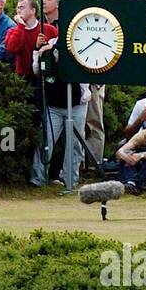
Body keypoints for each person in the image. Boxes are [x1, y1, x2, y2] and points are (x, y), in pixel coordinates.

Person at [34, 32, 90, 189]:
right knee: (45, 141)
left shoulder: (82, 41)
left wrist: (55, 47)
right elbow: (37, 70)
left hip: (77, 104)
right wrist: (38, 48)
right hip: (54, 105)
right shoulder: (49, 43)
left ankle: (70, 180)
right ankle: (39, 179)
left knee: (75, 145)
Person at [3, 0, 54, 79]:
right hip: (23, 79)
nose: (18, 11)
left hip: (46, 77)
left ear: (33, 11)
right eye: (18, 8)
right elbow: (11, 49)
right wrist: (21, 26)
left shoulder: (49, 29)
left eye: (22, 7)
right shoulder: (13, 31)